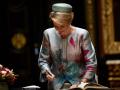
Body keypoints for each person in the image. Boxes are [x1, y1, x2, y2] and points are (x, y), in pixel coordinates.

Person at [38, 3, 97, 90]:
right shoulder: (48, 34)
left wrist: (81, 84)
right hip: (56, 85)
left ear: (69, 22)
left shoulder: (82, 35)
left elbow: (91, 63)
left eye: (62, 26)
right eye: (56, 26)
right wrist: (47, 72)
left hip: (80, 84)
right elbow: (43, 60)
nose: (58, 31)